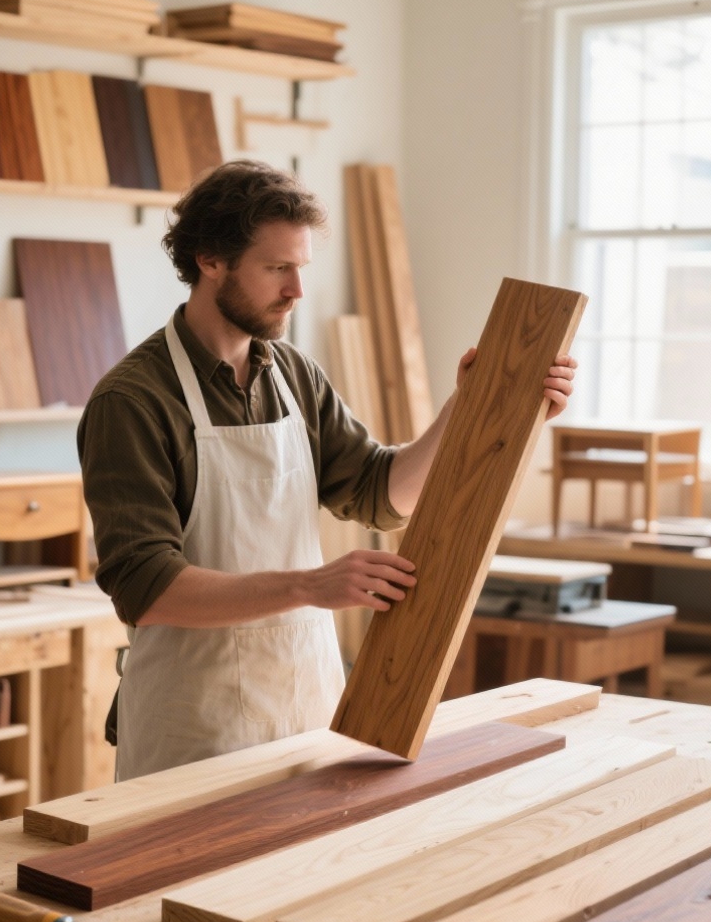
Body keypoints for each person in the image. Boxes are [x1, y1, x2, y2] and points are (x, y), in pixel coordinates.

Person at [78, 160, 575, 780]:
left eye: (301, 268)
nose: (297, 290)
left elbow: (378, 494)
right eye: (277, 268)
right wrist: (310, 587)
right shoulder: (132, 401)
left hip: (305, 703)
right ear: (210, 261)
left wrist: (471, 407)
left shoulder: (294, 375)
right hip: (192, 728)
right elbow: (145, 589)